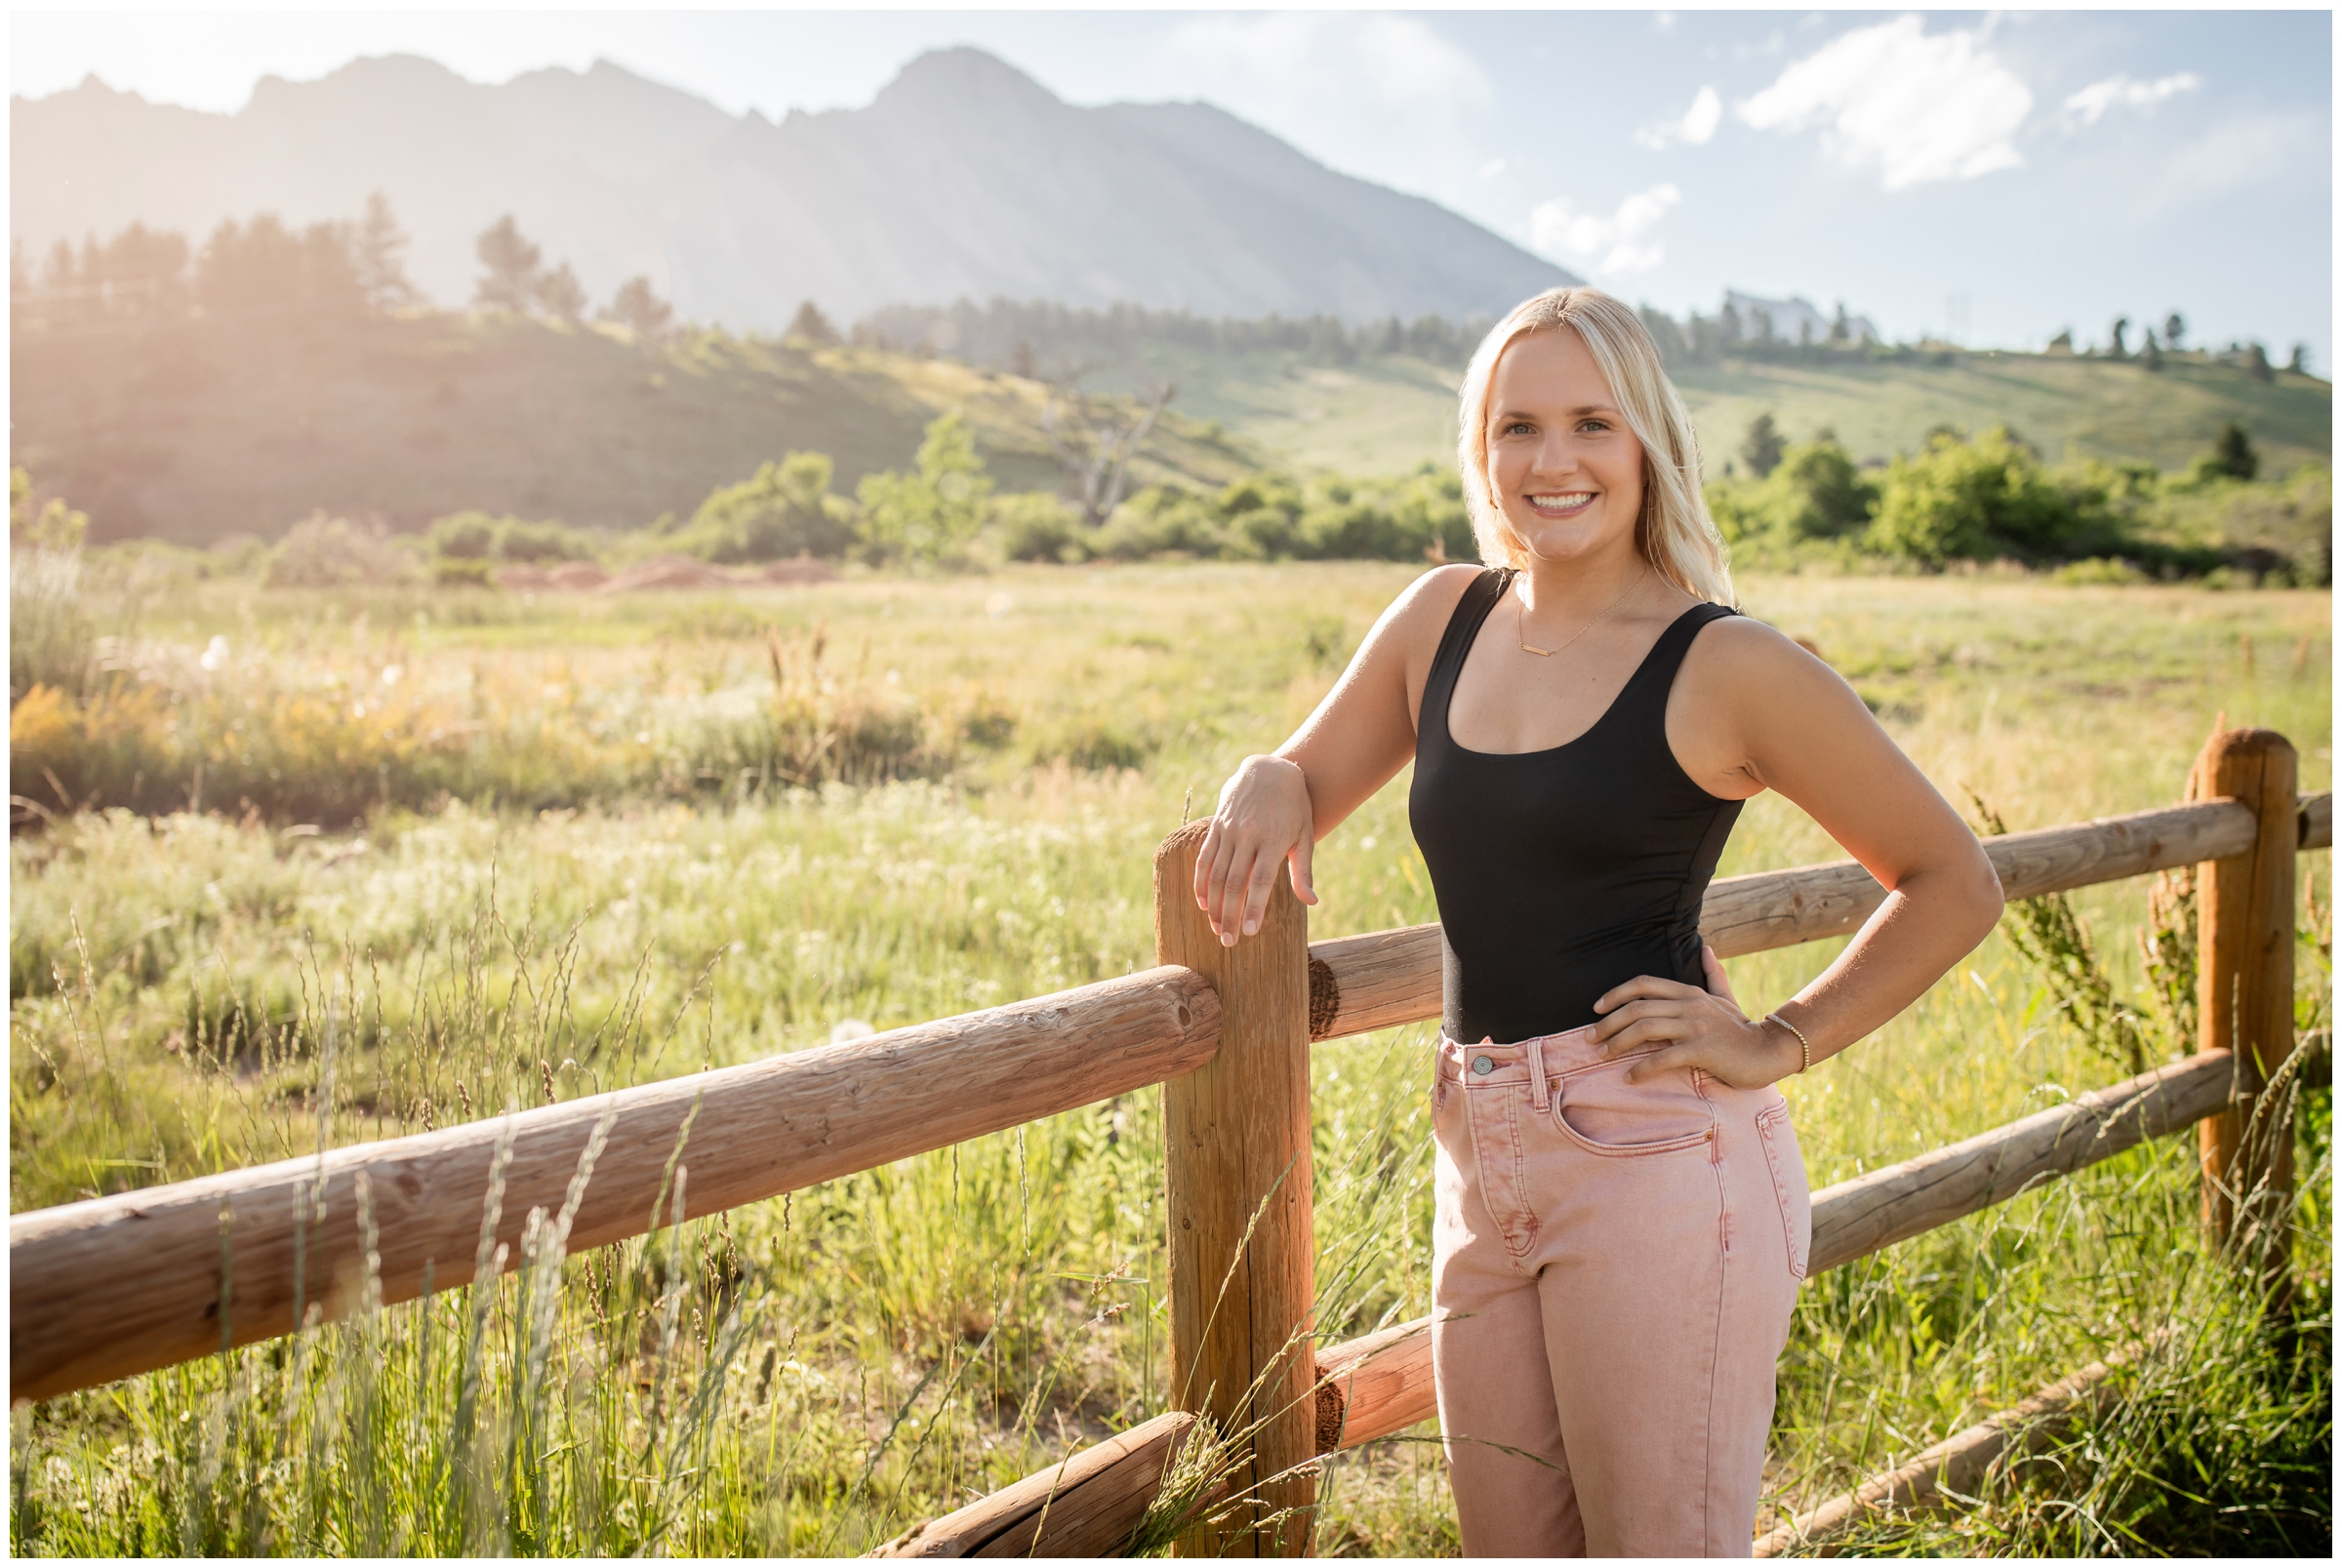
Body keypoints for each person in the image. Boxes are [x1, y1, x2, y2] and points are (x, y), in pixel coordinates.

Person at [1191, 287, 2004, 1557]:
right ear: (1482, 450)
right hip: (1480, 1148)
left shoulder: (1723, 663)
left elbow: (1954, 879)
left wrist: (1779, 1038)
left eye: (1592, 424)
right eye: (1518, 427)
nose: (1552, 461)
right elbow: (1308, 775)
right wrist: (1265, 775)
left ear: (1648, 446)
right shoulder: (1439, 622)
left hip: (1658, 1155)